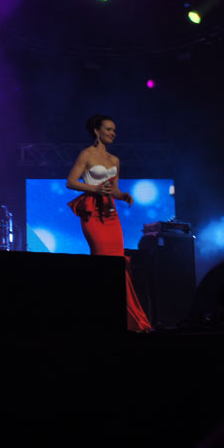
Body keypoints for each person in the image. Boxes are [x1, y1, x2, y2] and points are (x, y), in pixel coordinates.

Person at [66, 114, 152, 332]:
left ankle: (127, 317)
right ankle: (103, 314)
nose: (113, 133)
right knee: (103, 261)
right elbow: (71, 182)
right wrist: (94, 188)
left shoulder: (115, 160)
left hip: (111, 214)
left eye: (114, 130)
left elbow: (113, 188)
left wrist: (123, 195)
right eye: (109, 129)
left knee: (118, 262)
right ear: (97, 131)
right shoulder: (86, 154)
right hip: (93, 213)